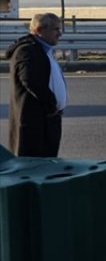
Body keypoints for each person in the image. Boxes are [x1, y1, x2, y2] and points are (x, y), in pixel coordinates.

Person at [6, 13, 67, 157]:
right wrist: (51, 105)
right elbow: (31, 81)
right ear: (39, 30)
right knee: (34, 168)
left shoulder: (43, 50)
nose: (60, 34)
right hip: (34, 124)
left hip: (47, 120)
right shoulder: (27, 51)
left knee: (47, 165)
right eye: (56, 29)